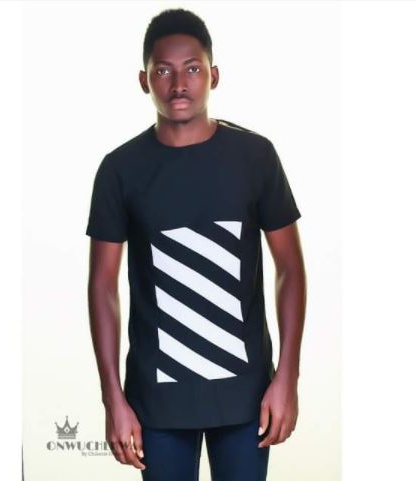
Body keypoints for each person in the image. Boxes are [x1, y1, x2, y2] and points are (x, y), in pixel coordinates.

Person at [86, 8, 306, 481]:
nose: (179, 84)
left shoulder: (255, 157)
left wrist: (287, 376)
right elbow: (102, 286)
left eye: (192, 69)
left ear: (214, 75)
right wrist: (113, 399)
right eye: (163, 71)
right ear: (144, 80)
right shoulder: (120, 170)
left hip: (246, 396)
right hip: (157, 401)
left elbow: (289, 267)